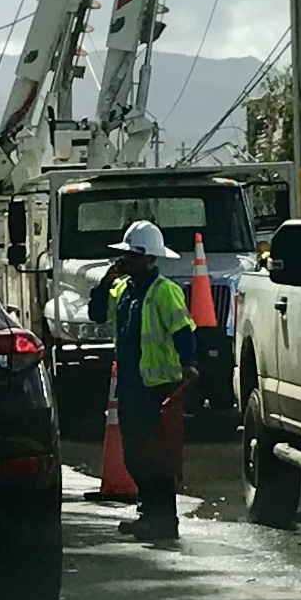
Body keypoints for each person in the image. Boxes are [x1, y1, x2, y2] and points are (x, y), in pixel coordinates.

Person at [88, 219, 198, 542]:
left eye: (131, 257)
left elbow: (183, 331)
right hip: (132, 388)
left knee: (158, 459)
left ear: (149, 258)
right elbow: (96, 313)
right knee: (135, 456)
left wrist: (190, 364)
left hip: (159, 389)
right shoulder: (123, 291)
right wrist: (107, 280)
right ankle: (148, 513)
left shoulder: (165, 292)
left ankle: (164, 520)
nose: (125, 262)